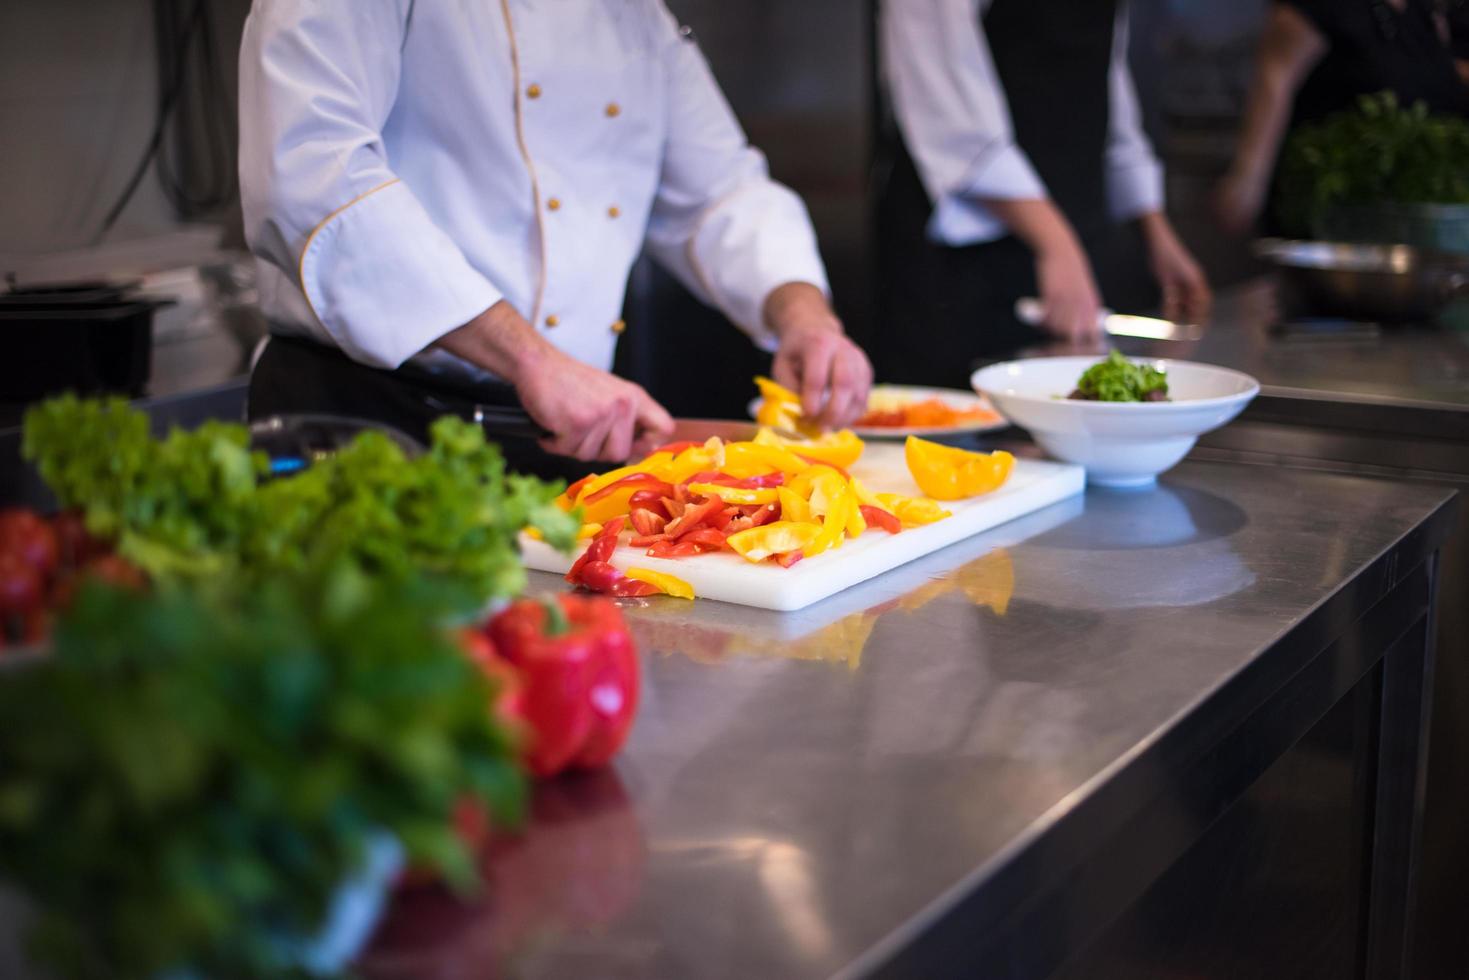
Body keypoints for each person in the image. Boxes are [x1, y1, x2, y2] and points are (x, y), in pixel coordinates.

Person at [238, 1, 872, 477]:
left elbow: (720, 191)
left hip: (558, 439)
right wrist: (532, 359)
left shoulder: (634, 15)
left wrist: (805, 317)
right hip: (367, 423)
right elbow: (313, 173)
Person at [873, 0, 1210, 389]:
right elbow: (945, 109)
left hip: (1074, 241)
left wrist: (1154, 229)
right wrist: (1056, 243)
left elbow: (1104, 86)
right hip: (963, 262)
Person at [1216, 0, 1469, 236]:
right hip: (1328, 217)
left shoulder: (1424, 13)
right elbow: (1275, 78)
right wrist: (1249, 178)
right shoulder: (1324, 6)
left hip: (1410, 220)